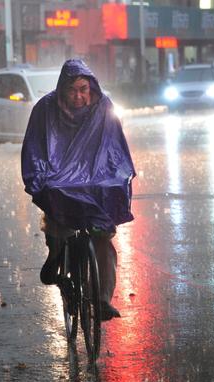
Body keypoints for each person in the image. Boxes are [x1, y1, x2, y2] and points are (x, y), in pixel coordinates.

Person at [21, 59, 136, 321]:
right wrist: (40, 178)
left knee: (103, 239)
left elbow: (115, 148)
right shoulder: (45, 109)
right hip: (58, 179)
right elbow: (36, 149)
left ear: (91, 88)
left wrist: (118, 176)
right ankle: (56, 254)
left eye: (83, 89)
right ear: (62, 89)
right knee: (59, 222)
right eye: (73, 90)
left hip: (96, 181)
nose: (79, 96)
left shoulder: (103, 106)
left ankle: (103, 298)